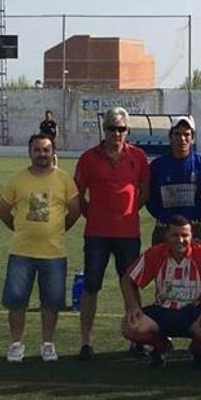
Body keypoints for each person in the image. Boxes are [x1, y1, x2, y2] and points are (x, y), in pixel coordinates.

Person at [0, 134, 81, 362]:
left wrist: (58, 229)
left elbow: (74, 210)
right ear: (30, 152)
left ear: (52, 152)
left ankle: (47, 343)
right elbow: (3, 211)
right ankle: (16, 344)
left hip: (54, 253)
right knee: (16, 300)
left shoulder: (63, 179)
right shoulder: (17, 180)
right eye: (37, 150)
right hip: (21, 252)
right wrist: (20, 229)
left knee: (52, 302)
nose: (42, 154)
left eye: (46, 150)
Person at [74, 107, 150, 360]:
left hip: (128, 233)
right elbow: (77, 195)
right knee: (91, 285)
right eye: (111, 128)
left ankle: (136, 336)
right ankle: (86, 341)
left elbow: (144, 192)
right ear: (103, 129)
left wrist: (128, 213)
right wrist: (92, 214)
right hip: (96, 233)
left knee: (130, 284)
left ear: (127, 131)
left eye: (121, 129)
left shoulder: (138, 157)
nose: (116, 133)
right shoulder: (88, 158)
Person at [119, 215, 201, 368]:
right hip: (162, 311)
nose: (180, 240)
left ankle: (196, 349)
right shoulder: (155, 253)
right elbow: (127, 280)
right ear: (167, 235)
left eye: (185, 235)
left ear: (191, 236)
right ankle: (161, 345)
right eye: (175, 235)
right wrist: (133, 306)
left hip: (192, 312)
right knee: (129, 327)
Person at [147, 116, 201, 245]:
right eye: (177, 134)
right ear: (170, 137)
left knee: (197, 264)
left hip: (193, 227)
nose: (182, 139)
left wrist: (199, 213)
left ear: (193, 138)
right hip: (164, 228)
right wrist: (161, 216)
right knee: (160, 264)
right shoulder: (157, 165)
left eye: (186, 134)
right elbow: (149, 196)